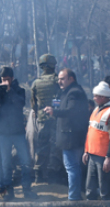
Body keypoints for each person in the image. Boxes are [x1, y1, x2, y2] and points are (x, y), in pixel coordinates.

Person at [0, 66, 34, 199]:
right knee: (6, 163)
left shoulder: (19, 90)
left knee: (25, 161)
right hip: (3, 132)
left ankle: (27, 189)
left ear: (12, 79)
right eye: (3, 80)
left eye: (7, 79)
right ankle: (9, 191)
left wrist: (10, 90)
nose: (5, 82)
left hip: (18, 131)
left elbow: (20, 104)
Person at [44, 68, 88, 201]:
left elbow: (71, 111)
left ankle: (74, 197)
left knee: (72, 167)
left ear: (71, 79)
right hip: (70, 137)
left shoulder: (74, 93)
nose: (59, 81)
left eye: (62, 79)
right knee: (73, 167)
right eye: (59, 79)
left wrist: (54, 112)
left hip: (71, 138)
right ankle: (75, 194)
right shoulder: (66, 92)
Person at [83, 82, 110, 200]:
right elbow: (91, 131)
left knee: (104, 188)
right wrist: (86, 150)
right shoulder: (96, 109)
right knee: (90, 187)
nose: (94, 98)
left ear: (103, 97)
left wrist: (109, 157)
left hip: (103, 156)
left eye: (96, 96)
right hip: (92, 154)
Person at [30, 54, 61, 183]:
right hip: (55, 117)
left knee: (41, 145)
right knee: (54, 145)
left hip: (41, 118)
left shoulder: (36, 82)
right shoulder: (56, 81)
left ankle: (38, 173)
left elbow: (33, 104)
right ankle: (52, 174)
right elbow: (59, 98)